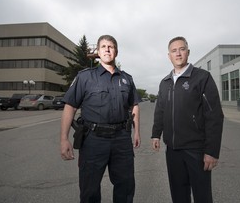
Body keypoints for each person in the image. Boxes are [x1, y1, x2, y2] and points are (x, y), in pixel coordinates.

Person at [60, 35, 141, 203]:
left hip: (121, 139)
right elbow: (70, 106)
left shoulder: (127, 79)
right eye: (103, 46)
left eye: (111, 46)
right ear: (98, 51)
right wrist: (63, 139)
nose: (107, 49)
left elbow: (134, 105)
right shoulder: (85, 77)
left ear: (116, 52)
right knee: (89, 190)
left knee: (125, 187)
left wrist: (137, 132)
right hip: (93, 140)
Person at [151, 36, 224, 203]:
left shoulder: (202, 78)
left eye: (182, 49)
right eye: (174, 50)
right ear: (168, 55)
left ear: (188, 52)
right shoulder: (165, 82)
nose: (178, 53)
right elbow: (160, 110)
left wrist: (211, 151)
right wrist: (156, 134)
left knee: (202, 196)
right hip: (173, 150)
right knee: (178, 195)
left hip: (196, 149)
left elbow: (214, 116)